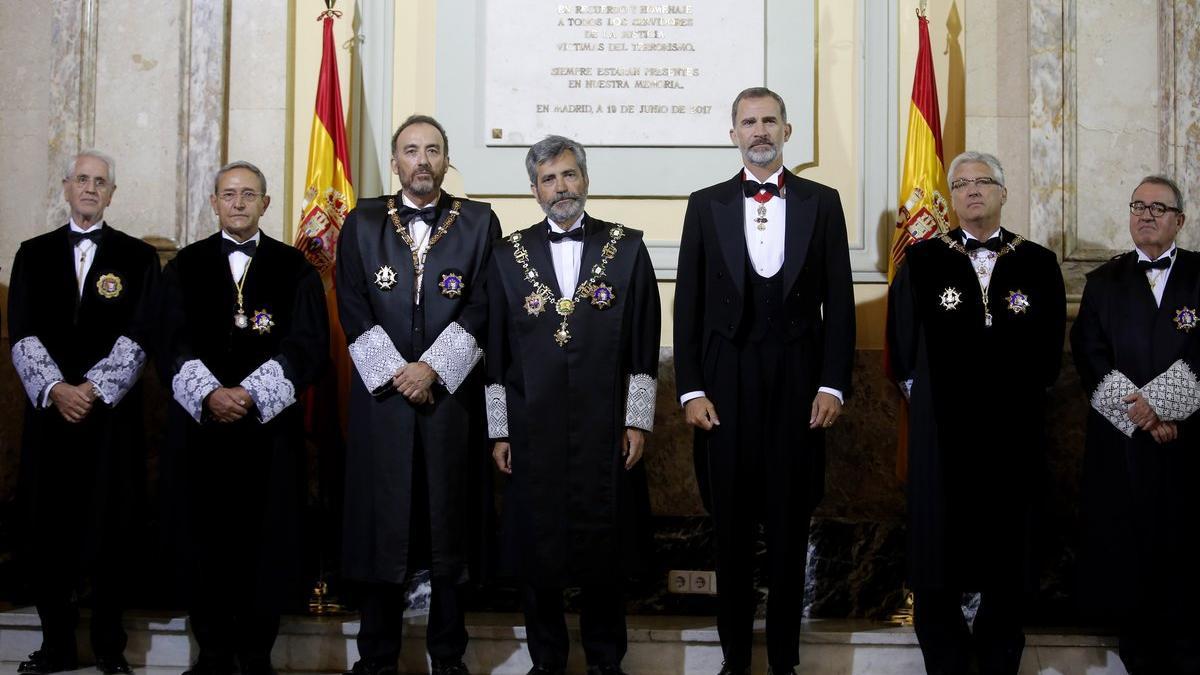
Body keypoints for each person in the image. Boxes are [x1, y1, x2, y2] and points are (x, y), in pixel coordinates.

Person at [672, 86, 855, 675]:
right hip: (725, 382)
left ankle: (783, 662)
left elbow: (841, 305)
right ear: (732, 133)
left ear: (787, 130)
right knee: (729, 529)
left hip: (799, 381)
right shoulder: (705, 204)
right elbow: (688, 304)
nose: (759, 131)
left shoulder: (822, 203)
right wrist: (691, 388)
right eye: (748, 122)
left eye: (769, 121)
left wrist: (833, 385)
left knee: (788, 526)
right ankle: (733, 662)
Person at [486, 134, 659, 675]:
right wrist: (499, 429)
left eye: (568, 175)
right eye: (548, 179)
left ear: (585, 179)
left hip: (605, 426)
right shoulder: (505, 255)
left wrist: (637, 419)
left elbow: (643, 340)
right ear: (533, 190)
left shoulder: (628, 247)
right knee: (539, 549)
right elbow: (494, 348)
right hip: (530, 427)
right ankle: (547, 661)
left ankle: (607, 661)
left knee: (603, 548)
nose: (560, 187)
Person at [888, 151, 1065, 674]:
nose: (971, 191)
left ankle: (995, 660)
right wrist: (936, 409)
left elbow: (1050, 350)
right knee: (938, 551)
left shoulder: (1037, 261)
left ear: (1003, 192)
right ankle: (945, 662)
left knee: (1008, 552)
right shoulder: (922, 260)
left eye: (982, 182)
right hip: (941, 434)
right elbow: (902, 345)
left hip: (1013, 432)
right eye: (960, 183)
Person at [337, 114, 499, 675]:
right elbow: (352, 303)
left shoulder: (479, 222)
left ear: (446, 158)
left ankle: (448, 656)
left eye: (433, 150)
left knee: (448, 526)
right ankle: (376, 656)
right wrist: (396, 372)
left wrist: (432, 368)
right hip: (383, 404)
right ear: (395, 160)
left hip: (449, 402)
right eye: (411, 150)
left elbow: (483, 303)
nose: (422, 160)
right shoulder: (360, 221)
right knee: (384, 524)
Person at [159, 160, 329, 675]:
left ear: (265, 204)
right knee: (202, 537)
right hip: (200, 433)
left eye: (248, 194)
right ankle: (210, 652)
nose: (238, 202)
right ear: (214, 202)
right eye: (228, 194)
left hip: (268, 434)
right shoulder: (183, 268)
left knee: (267, 541)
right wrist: (210, 393)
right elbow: (169, 339)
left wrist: (250, 395)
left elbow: (309, 345)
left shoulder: (295, 268)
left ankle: (257, 654)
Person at [7, 150, 159, 675]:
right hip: (49, 416)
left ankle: (109, 649)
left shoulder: (139, 258)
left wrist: (92, 390)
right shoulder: (32, 253)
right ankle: (55, 646)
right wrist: (56, 388)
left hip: (110, 420)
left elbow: (141, 333)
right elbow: (21, 330)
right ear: (67, 187)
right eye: (83, 180)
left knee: (110, 531)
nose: (91, 189)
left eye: (101, 182)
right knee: (49, 529)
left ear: (112, 194)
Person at [1070, 175, 1200, 674]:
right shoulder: (1104, 281)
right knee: (1128, 562)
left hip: (1186, 445)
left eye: (1159, 208)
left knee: (1184, 562)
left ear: (1180, 220)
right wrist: (1141, 415)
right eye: (1138, 206)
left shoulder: (1198, 275)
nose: (1146, 215)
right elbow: (1090, 353)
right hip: (1123, 446)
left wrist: (1167, 409)